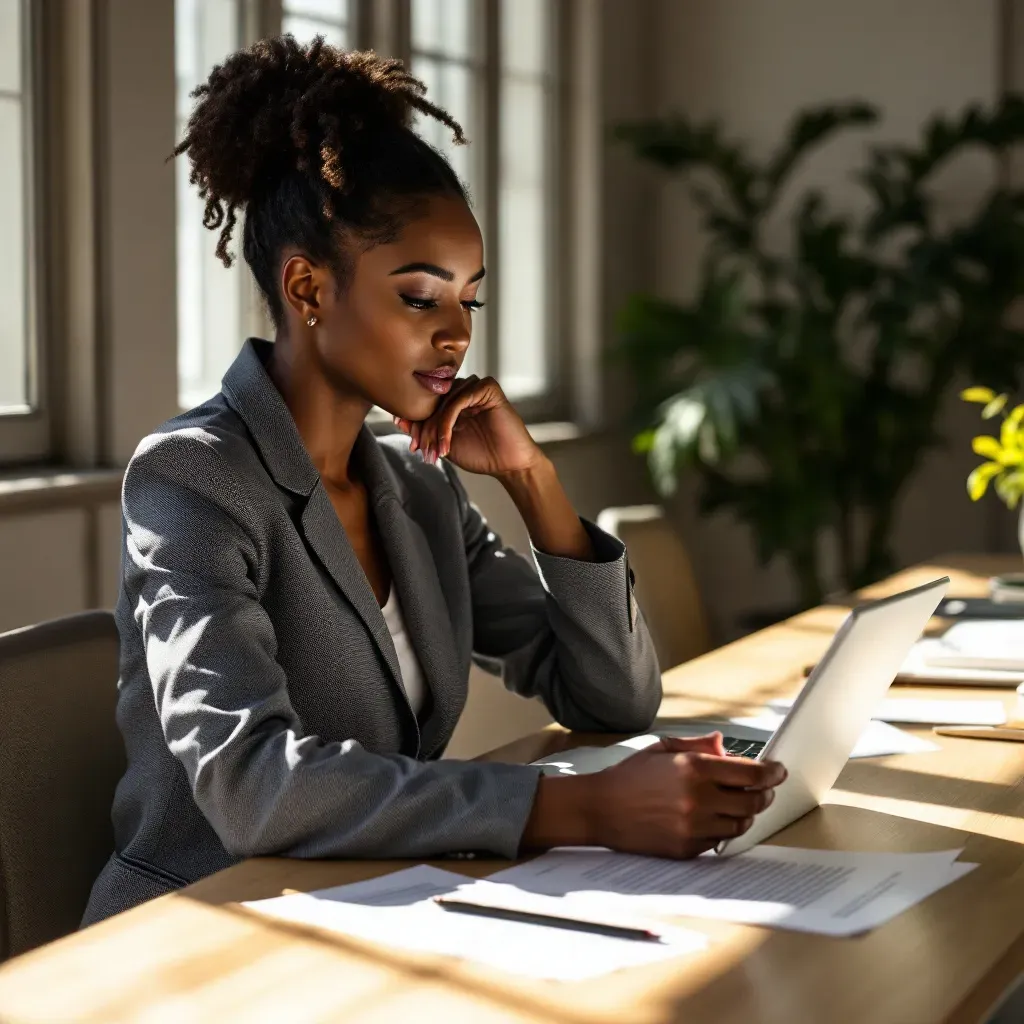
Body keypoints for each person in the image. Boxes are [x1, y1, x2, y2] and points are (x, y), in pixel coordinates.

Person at [82, 37, 786, 925]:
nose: (456, 335)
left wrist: (534, 482)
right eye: (421, 298)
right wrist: (578, 808)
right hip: (201, 930)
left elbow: (612, 698)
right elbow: (252, 785)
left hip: (373, 907)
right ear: (307, 288)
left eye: (470, 301)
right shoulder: (193, 476)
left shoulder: (415, 490)